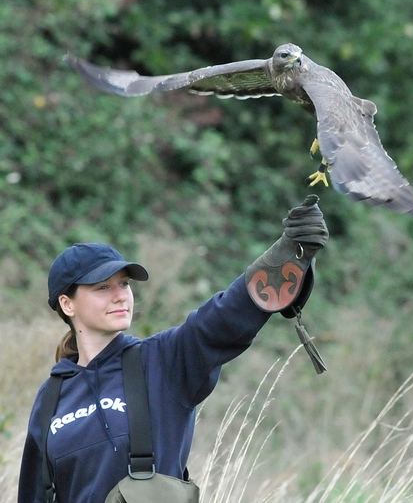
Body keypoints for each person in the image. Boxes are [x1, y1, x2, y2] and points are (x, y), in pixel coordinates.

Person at [18, 195, 328, 503]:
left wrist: (290, 255)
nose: (120, 296)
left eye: (124, 283)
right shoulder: (51, 398)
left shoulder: (163, 361)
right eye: (102, 287)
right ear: (67, 303)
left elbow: (222, 319)